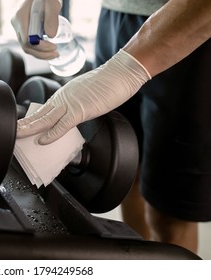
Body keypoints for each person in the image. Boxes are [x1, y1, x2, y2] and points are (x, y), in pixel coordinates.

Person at [12, 0, 211, 254]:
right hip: (115, 16)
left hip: (185, 23)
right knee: (125, 170)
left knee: (169, 214)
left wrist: (126, 69)